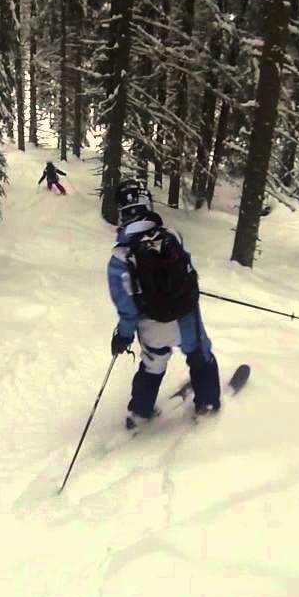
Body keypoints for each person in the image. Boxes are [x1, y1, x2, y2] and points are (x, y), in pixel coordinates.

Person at [106, 179, 221, 429]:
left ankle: (140, 411)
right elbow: (189, 274)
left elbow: (127, 308)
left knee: (153, 363)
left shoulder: (118, 259)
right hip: (185, 316)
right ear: (147, 203)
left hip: (151, 325)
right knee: (200, 355)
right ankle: (208, 402)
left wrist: (124, 335)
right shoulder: (172, 236)